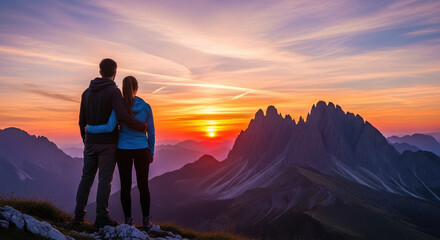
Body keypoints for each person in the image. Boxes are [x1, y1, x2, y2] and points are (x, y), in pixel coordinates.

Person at [75, 59, 148, 228]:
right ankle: (101, 217)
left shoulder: (86, 92)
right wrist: (141, 126)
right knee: (104, 181)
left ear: (100, 72)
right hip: (108, 144)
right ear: (114, 72)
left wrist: (86, 140)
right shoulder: (113, 92)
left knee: (86, 179)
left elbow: (81, 120)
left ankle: (78, 217)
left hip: (90, 143)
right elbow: (122, 115)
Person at [86, 76, 155, 231]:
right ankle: (146, 222)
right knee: (143, 186)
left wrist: (89, 128)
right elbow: (151, 131)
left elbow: (109, 127)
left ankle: (128, 221)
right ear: (137, 87)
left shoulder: (119, 107)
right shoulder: (146, 107)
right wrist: (151, 151)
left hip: (123, 150)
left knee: (125, 186)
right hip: (142, 149)